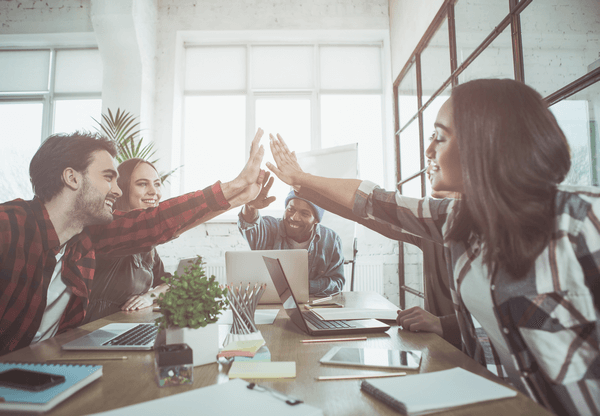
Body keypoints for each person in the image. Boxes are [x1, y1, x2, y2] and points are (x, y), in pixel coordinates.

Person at [266, 79, 599, 415]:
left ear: (487, 142)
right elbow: (375, 203)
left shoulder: (584, 219)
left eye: (440, 138)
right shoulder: (457, 219)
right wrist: (300, 180)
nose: (428, 151)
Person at [0, 129, 266, 355]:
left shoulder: (87, 235)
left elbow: (157, 223)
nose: (116, 191)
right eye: (107, 177)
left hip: (49, 363)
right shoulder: (9, 227)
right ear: (72, 178)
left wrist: (239, 194)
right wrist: (237, 184)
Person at [82, 158, 171, 324]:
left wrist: (150, 296)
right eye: (143, 184)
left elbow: (170, 283)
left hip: (127, 326)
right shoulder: (108, 229)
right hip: (96, 330)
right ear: (123, 188)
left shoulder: (147, 244)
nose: (154, 192)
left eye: (157, 184)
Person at [238, 172, 345, 296]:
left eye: (304, 214)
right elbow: (250, 225)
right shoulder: (270, 228)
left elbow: (337, 283)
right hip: (271, 304)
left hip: (313, 305)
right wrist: (250, 207)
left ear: (316, 220)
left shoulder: (332, 240)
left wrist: (301, 286)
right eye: (290, 209)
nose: (294, 217)